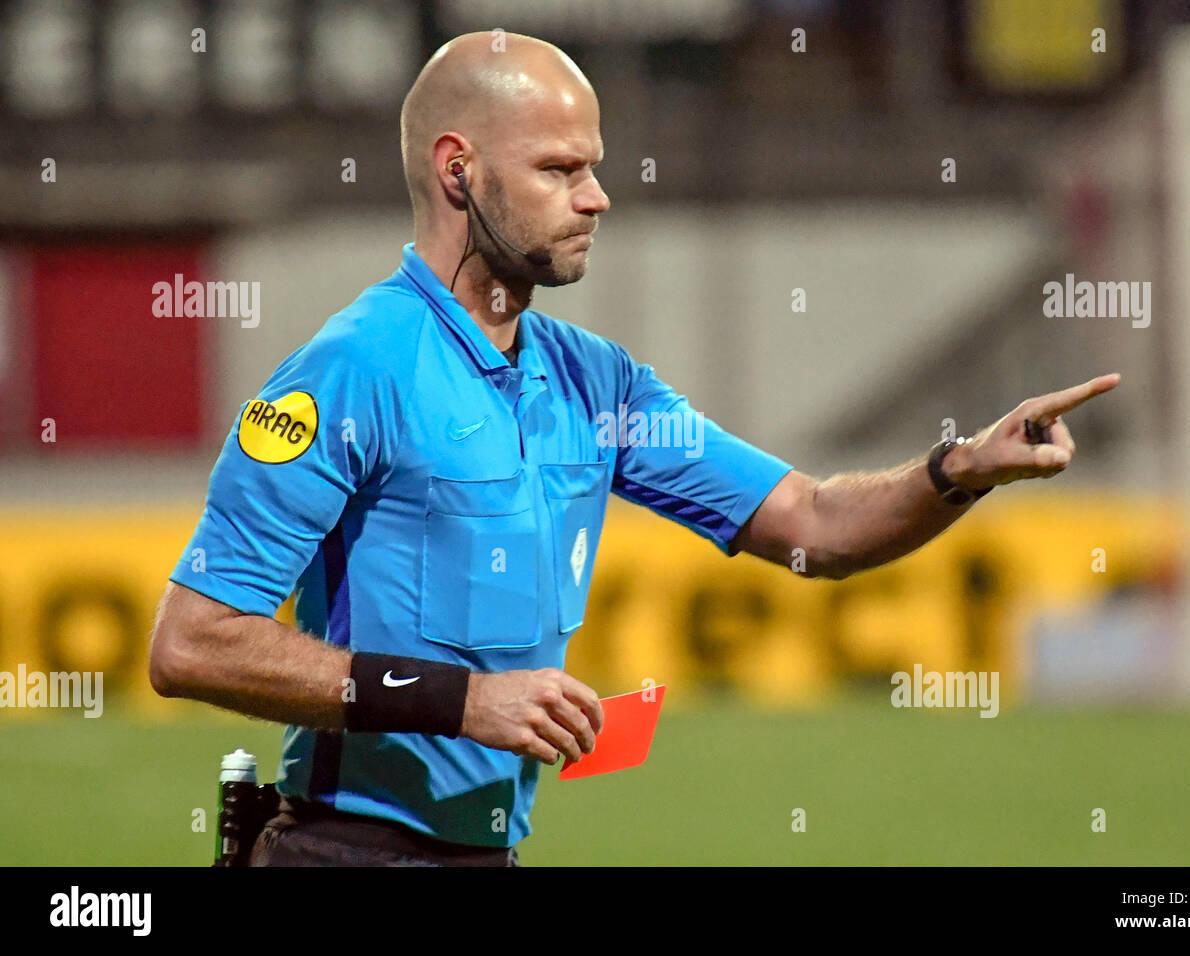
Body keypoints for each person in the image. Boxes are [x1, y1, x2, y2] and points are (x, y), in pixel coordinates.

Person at [148, 31, 1119, 867]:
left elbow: (816, 525)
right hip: (343, 849)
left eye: (594, 167)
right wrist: (461, 700)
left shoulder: (594, 382)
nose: (597, 197)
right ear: (459, 169)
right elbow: (191, 640)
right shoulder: (352, 369)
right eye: (560, 170)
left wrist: (957, 469)